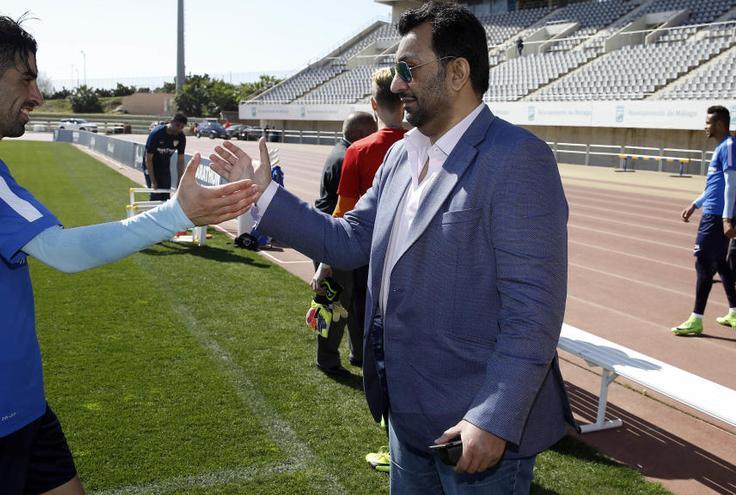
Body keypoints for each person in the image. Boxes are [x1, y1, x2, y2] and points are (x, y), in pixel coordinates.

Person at [209, 2, 574, 493]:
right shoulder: (401, 154)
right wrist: (263, 195)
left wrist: (493, 418)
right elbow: (348, 240)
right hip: (404, 412)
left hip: (473, 426)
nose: (397, 83)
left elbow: (534, 312)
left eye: (408, 69)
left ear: (458, 73)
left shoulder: (517, 158)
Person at [0, 14, 256, 495]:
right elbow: (63, 252)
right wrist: (176, 215)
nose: (38, 95)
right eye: (26, 78)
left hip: (16, 403)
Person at [332, 67, 406, 379]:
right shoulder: (426, 143)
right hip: (409, 246)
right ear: (404, 100)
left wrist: (326, 260)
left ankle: (363, 356)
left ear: (373, 105)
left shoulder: (357, 151)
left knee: (361, 306)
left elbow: (343, 211)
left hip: (367, 248)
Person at [312, 111, 377, 376]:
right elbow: (343, 209)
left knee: (356, 299)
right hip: (335, 239)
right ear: (359, 135)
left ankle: (357, 353)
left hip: (341, 237)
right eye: (372, 133)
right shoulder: (347, 157)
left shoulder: (343, 151)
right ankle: (326, 359)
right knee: (334, 302)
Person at [673, 105, 736, 335]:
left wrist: (727, 218)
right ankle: (734, 312)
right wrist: (695, 204)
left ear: (719, 124)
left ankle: (696, 318)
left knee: (702, 262)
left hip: (716, 216)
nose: (705, 126)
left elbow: (731, 184)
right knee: (720, 262)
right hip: (713, 211)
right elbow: (715, 185)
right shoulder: (723, 147)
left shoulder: (728, 146)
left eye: (708, 123)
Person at [143, 113, 187, 201]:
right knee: (155, 195)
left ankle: (163, 214)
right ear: (171, 122)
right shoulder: (156, 133)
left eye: (182, 127)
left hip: (164, 166)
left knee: (166, 197)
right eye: (177, 125)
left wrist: (179, 181)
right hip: (150, 165)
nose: (179, 129)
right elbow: (148, 159)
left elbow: (180, 161)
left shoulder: (181, 137)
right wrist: (153, 181)